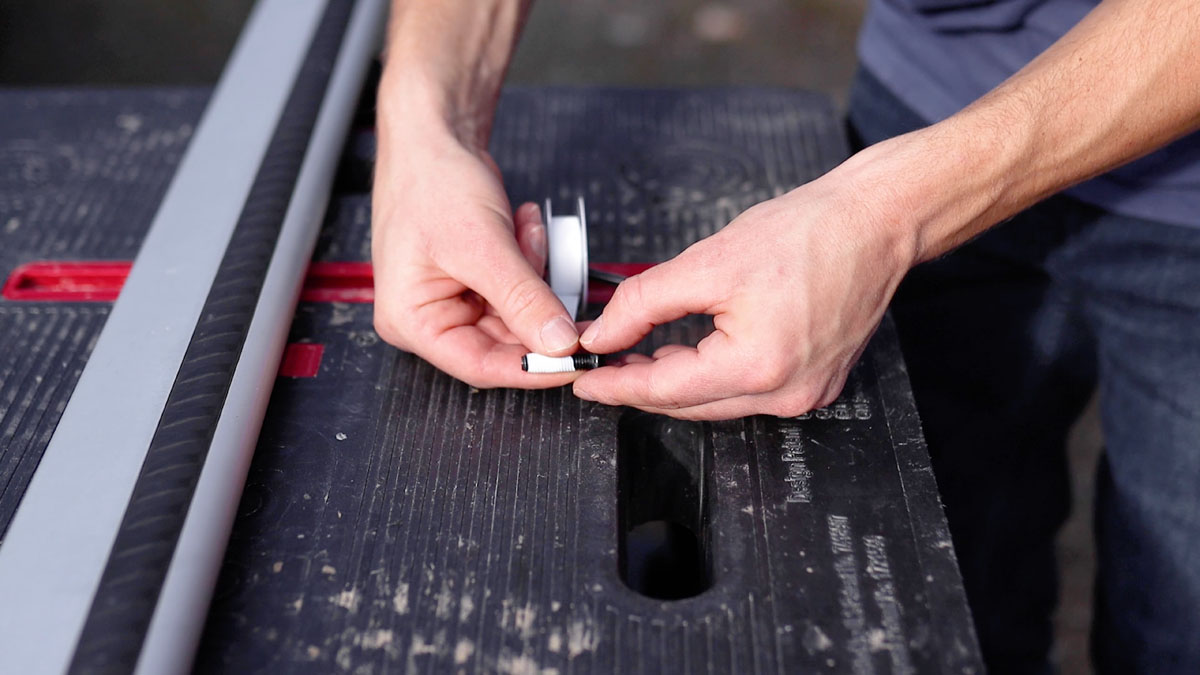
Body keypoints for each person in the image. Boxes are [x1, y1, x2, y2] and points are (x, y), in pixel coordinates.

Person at [371, 1, 1200, 672]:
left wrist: (888, 215)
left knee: (1176, 625)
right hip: (922, 105)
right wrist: (424, 132)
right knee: (950, 595)